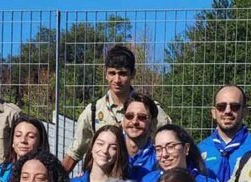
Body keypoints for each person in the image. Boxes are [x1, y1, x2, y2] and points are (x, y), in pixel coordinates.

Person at [62, 45, 171, 173]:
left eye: (123, 74)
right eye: (112, 73)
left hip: (143, 179)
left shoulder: (151, 111)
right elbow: (75, 152)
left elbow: (171, 148)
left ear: (133, 74)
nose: (117, 80)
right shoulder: (93, 111)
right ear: (106, 74)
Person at [198, 85, 251, 182]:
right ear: (213, 112)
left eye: (235, 106)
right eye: (221, 107)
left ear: (244, 111)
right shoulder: (199, 150)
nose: (227, 111)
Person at [120, 93, 159, 182]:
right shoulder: (111, 153)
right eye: (129, 116)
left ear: (153, 124)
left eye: (142, 117)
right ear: (123, 121)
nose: (134, 121)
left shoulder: (160, 159)